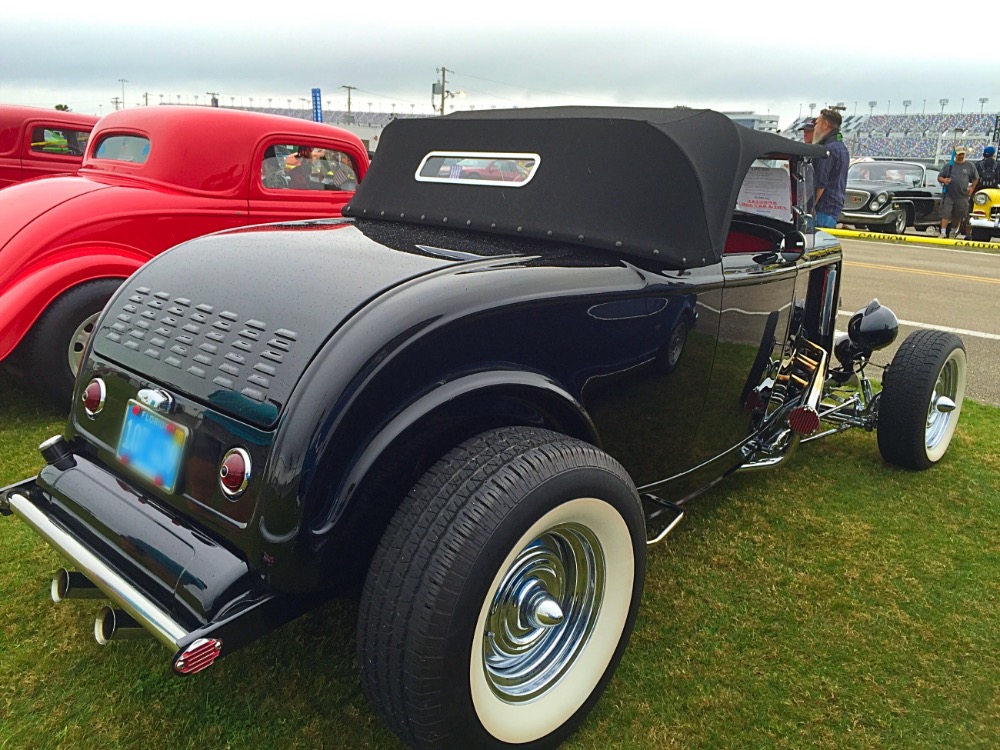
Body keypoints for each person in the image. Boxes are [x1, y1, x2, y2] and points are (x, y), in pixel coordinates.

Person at [811, 109, 849, 229]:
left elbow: (821, 183)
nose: (815, 128)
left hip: (822, 210)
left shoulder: (826, 150)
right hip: (833, 208)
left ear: (825, 124)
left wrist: (809, 209)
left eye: (817, 123)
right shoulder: (842, 148)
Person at [937, 147, 979, 238]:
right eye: (959, 154)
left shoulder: (969, 166)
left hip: (962, 195)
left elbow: (976, 178)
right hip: (949, 194)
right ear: (955, 155)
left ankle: (953, 231)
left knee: (958, 215)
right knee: (945, 214)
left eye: (962, 154)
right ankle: (943, 232)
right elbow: (939, 177)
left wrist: (972, 188)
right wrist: (944, 180)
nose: (961, 156)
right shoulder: (948, 166)